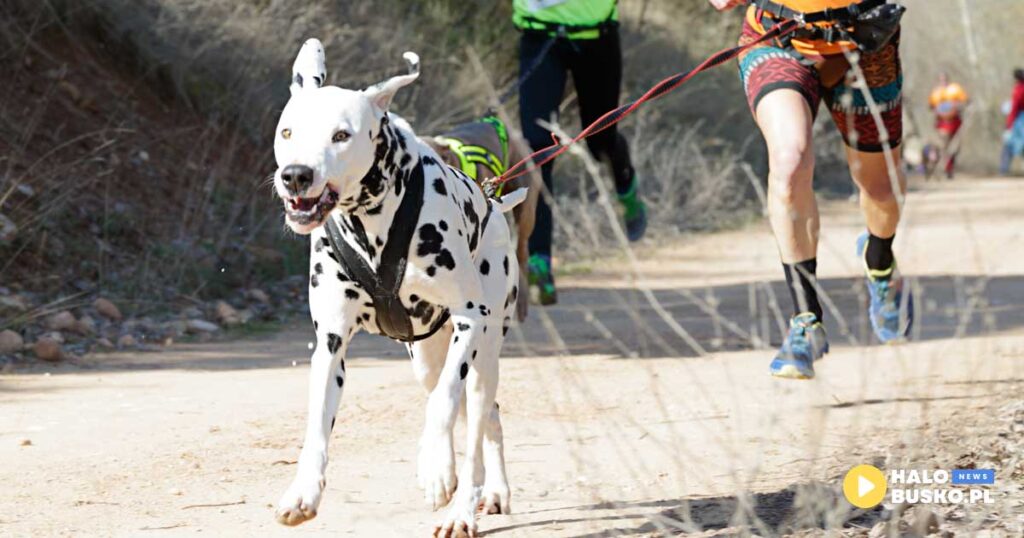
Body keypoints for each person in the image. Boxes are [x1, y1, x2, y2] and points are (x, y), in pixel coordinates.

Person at [710, 0, 913, 379]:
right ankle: (806, 321)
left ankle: (880, 262)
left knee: (881, 188)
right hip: (778, 37)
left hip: (864, 44)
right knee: (789, 161)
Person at [514, 0, 647, 306]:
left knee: (601, 141)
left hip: (597, 38)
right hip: (539, 37)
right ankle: (539, 261)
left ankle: (626, 187)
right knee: (538, 148)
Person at [928, 72, 969, 179]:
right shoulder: (936, 92)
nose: (943, 81)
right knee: (943, 145)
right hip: (942, 123)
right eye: (941, 79)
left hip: (955, 122)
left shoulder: (955, 89)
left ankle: (950, 168)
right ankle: (941, 167)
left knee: (955, 147)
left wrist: (957, 107)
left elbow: (965, 102)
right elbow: (931, 106)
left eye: (944, 79)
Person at [1000, 68, 1024, 176]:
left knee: (1009, 144)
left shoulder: (1018, 89)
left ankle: (1003, 169)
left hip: (1019, 120)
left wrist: (1009, 124)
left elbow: (1014, 108)